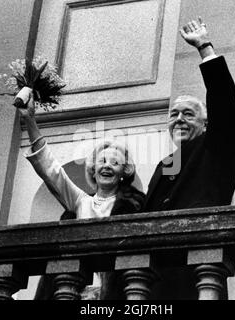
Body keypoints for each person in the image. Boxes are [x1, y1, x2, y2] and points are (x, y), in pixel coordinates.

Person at [144, 18, 235, 299]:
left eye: (188, 114)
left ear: (206, 122)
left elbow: (225, 105)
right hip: (153, 282)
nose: (179, 120)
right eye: (173, 114)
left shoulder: (214, 146)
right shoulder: (166, 163)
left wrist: (204, 48)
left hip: (195, 276)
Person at [15, 87, 145, 299]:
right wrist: (30, 120)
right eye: (102, 161)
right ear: (93, 169)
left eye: (115, 162)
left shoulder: (133, 207)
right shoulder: (80, 202)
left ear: (124, 172)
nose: (107, 166)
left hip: (114, 292)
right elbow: (51, 171)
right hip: (73, 289)